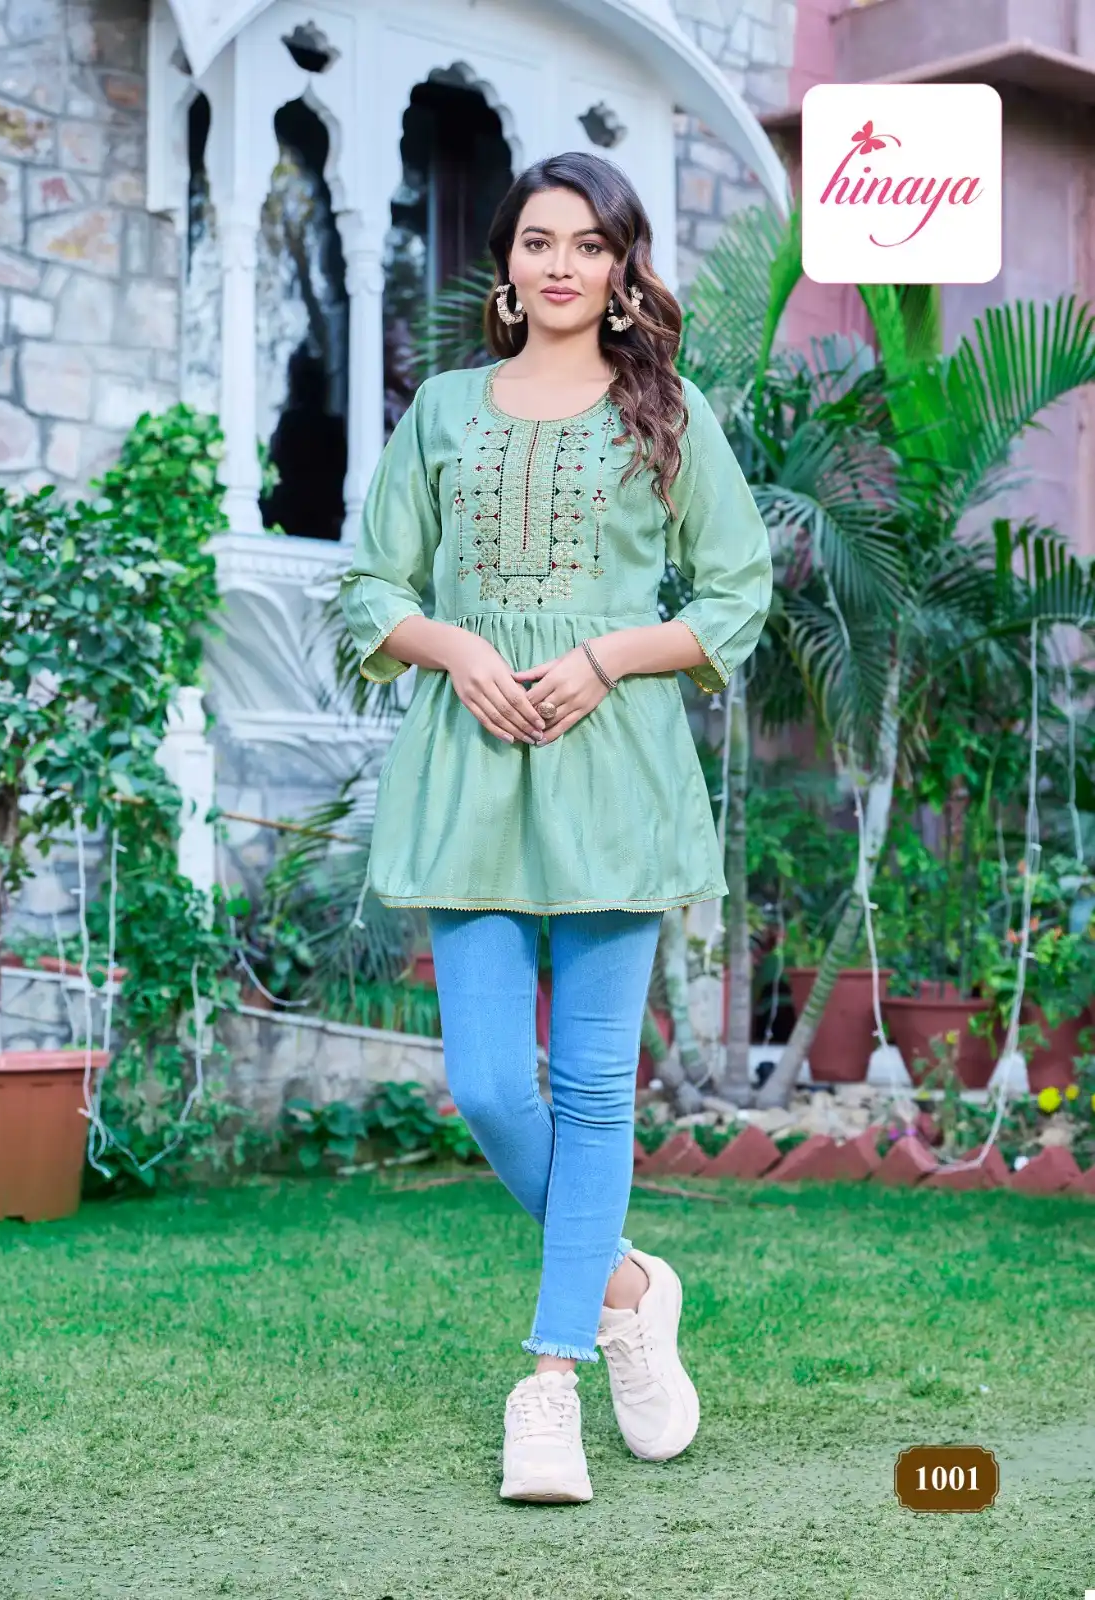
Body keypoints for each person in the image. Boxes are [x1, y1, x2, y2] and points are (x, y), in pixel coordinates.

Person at [338, 151, 772, 1505]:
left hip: (613, 772)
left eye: (590, 244)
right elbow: (369, 586)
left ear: (623, 268)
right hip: (468, 769)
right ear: (508, 267)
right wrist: (456, 647)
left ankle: (551, 1378)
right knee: (485, 1085)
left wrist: (607, 657)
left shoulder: (669, 413)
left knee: (591, 1093)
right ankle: (629, 1286)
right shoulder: (444, 411)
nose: (563, 265)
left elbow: (738, 589)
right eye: (539, 241)